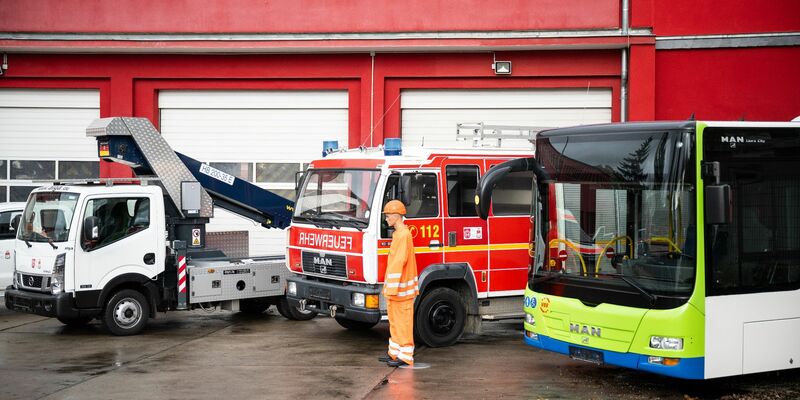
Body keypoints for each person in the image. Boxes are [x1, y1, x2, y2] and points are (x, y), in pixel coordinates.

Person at [380, 200, 418, 368]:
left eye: (388, 216)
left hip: (400, 290)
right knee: (395, 321)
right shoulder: (399, 234)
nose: (386, 219)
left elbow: (398, 262)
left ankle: (406, 355)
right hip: (396, 290)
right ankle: (394, 353)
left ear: (396, 216)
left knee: (403, 322)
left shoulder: (403, 235)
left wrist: (392, 287)